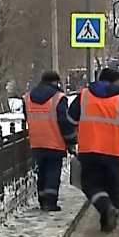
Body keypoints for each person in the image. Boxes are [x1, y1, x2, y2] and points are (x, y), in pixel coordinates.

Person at [66, 67, 119, 232]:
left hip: (88, 151)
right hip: (113, 153)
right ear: (115, 81)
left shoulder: (84, 95)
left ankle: (105, 207)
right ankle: (110, 217)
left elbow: (70, 118)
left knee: (91, 184)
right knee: (114, 186)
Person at [22, 70, 77, 211]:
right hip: (54, 141)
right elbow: (64, 122)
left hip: (36, 142)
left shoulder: (28, 97)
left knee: (42, 171)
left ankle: (42, 199)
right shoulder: (58, 98)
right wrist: (71, 141)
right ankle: (50, 202)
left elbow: (27, 117)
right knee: (53, 171)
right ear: (55, 82)